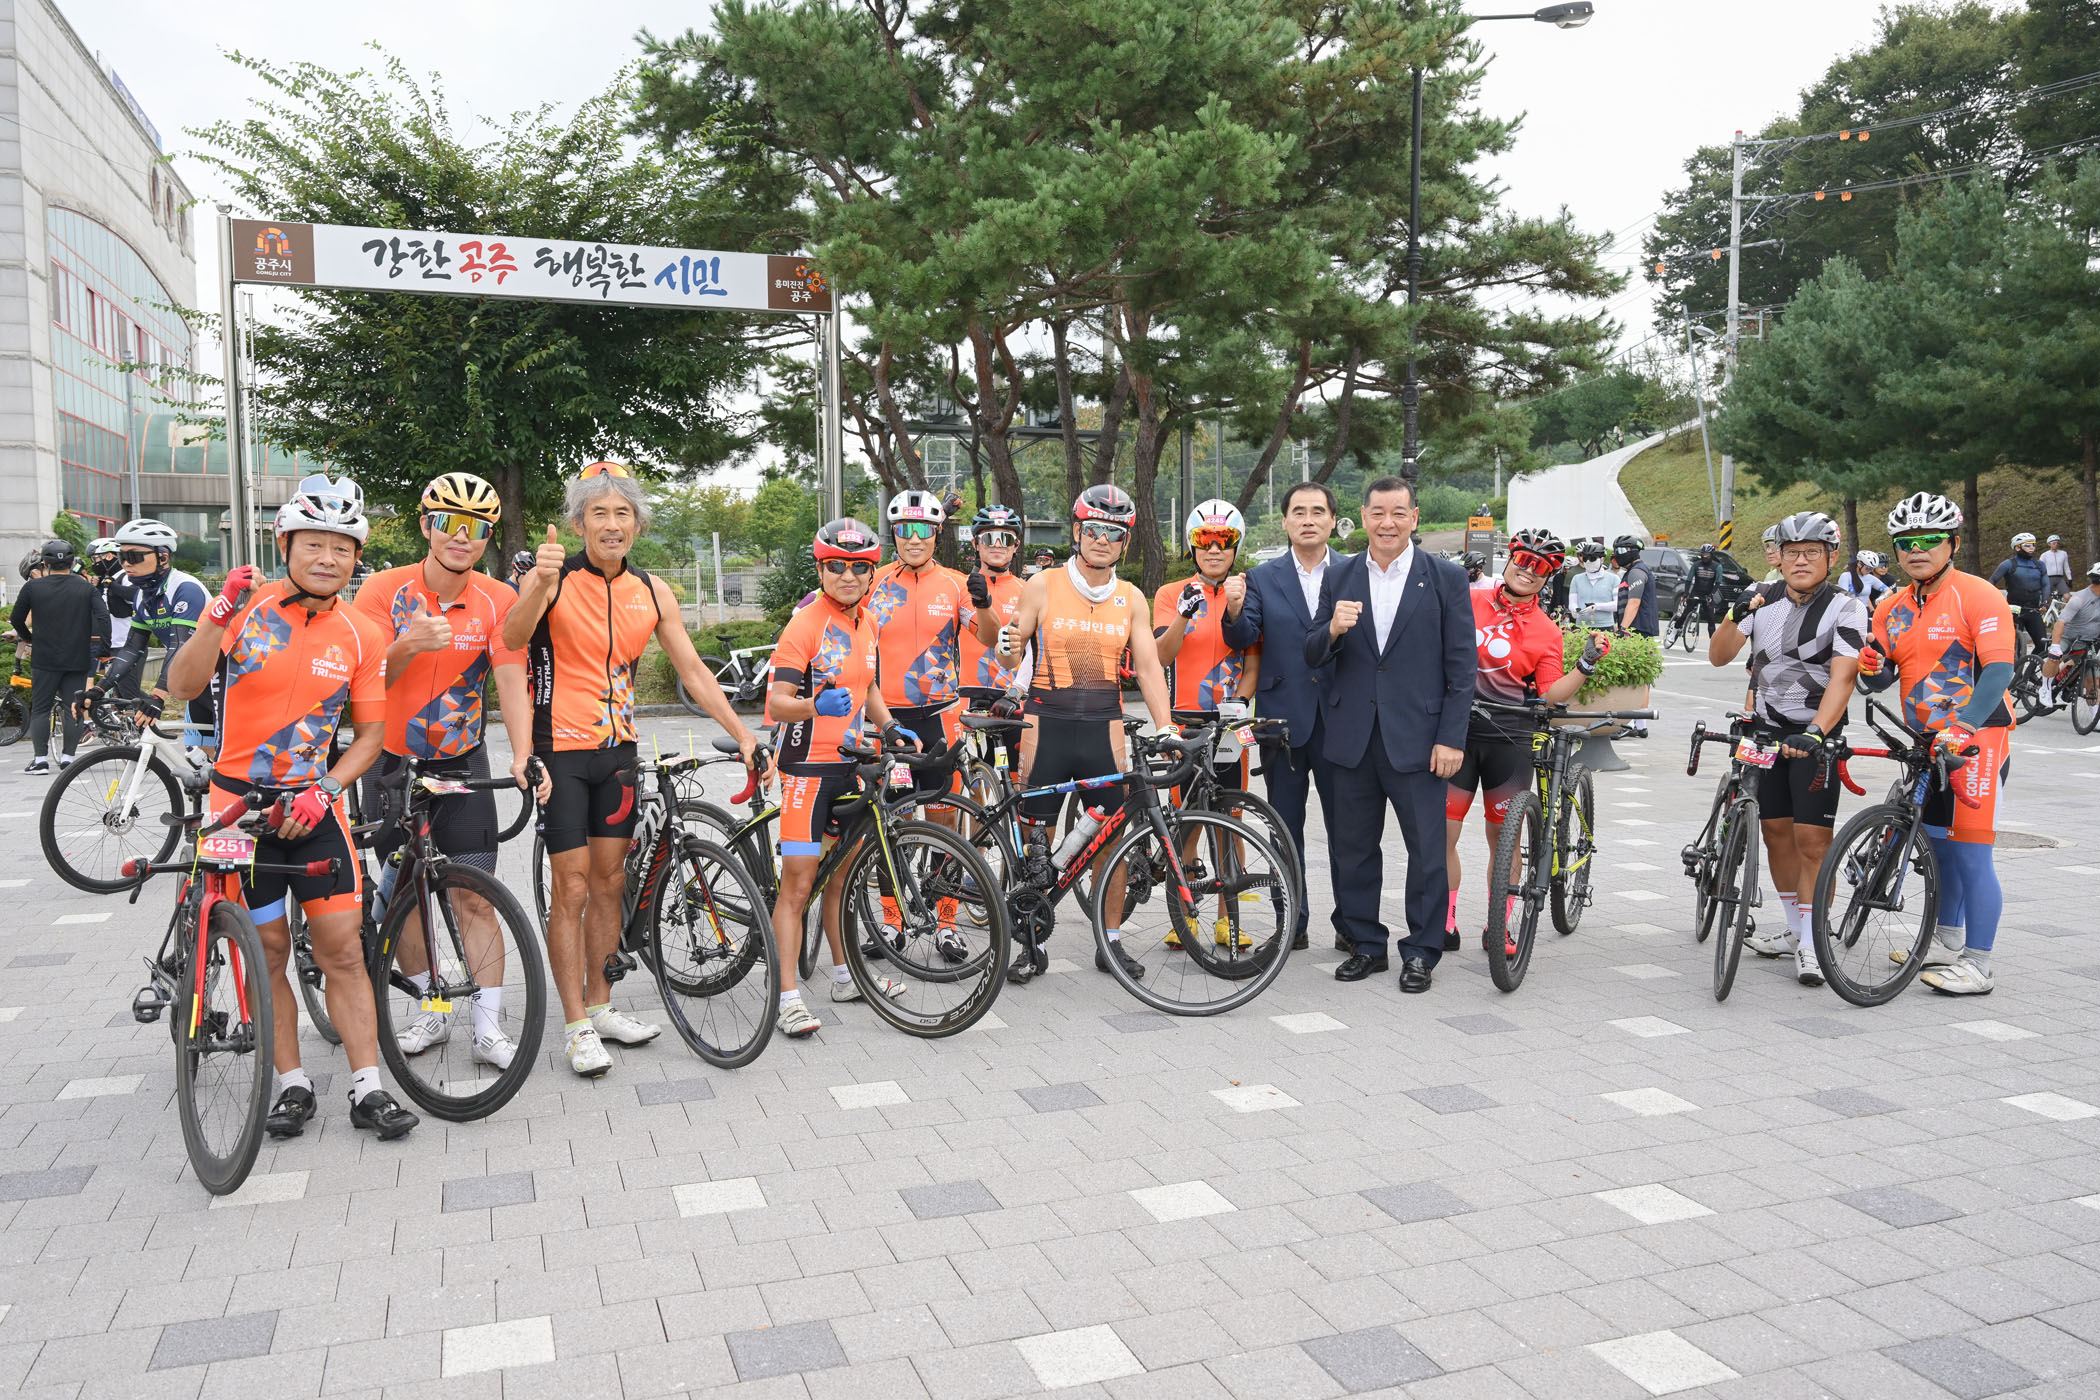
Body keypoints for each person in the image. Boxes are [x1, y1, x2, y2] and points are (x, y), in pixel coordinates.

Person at [162, 473, 418, 1141]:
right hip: (238, 809)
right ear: (285, 545)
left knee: (342, 950)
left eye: (342, 547)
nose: (328, 558)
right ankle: (292, 1084)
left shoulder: (362, 633)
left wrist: (325, 788)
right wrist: (216, 615)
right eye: (314, 544)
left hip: (313, 806)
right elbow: (182, 685)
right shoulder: (246, 608)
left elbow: (370, 736)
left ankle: (368, 1089)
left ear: (356, 557)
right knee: (268, 951)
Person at [500, 461, 763, 1077]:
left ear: (637, 525)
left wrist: (743, 733)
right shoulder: (554, 579)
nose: (612, 524)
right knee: (570, 888)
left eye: (623, 513)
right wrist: (538, 585)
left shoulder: (652, 590)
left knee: (609, 884)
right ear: (579, 523)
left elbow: (693, 670)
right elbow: (511, 639)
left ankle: (601, 1004)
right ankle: (575, 1026)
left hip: (618, 753)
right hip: (560, 754)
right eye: (599, 513)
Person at [353, 472, 548, 1070]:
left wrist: (523, 752)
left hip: (462, 761)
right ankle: (431, 1010)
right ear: (426, 526)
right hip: (389, 763)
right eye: (449, 523)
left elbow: (511, 679)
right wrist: (407, 644)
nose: (462, 537)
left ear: (487, 538)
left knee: (475, 897)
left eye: (477, 528)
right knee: (405, 896)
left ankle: (488, 1028)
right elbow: (358, 683)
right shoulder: (383, 591)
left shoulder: (497, 599)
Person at [996, 484, 1175, 979]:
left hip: (1104, 731)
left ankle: (1109, 942)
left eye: (1112, 533)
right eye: (1093, 529)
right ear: (1077, 532)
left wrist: (1166, 727)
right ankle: (1029, 942)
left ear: (1125, 542)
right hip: (1046, 727)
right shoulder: (1043, 584)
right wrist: (1007, 647)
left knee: (1111, 842)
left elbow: (1149, 667)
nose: (1101, 539)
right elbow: (1011, 651)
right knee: (1037, 842)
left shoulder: (1131, 598)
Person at [1304, 478, 1476, 994]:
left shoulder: (1444, 578)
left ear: (1414, 517)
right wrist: (1332, 629)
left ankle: (1421, 951)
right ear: (1363, 517)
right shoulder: (1339, 575)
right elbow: (1312, 653)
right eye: (1378, 512)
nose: (1387, 523)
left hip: (1421, 740)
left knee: (1427, 851)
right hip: (1352, 737)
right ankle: (1366, 944)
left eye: (1398, 513)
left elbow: (1462, 667)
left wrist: (1451, 738)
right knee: (1352, 848)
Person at [1855, 491, 2014, 995]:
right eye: (1906, 542)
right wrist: (1869, 669)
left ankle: (1979, 964)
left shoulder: (1979, 595)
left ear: (1953, 544)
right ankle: (1945, 940)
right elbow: (1881, 676)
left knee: (1970, 853)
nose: (1916, 550)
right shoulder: (1891, 606)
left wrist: (1964, 725)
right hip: (1925, 741)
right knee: (1940, 850)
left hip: (1977, 739)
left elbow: (1999, 670)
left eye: (1929, 540)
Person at [1708, 511, 1867, 987]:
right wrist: (1735, 613)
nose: (1800, 560)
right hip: (1765, 733)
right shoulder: (1762, 596)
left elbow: (1844, 677)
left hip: (1816, 737)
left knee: (1812, 842)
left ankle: (1815, 943)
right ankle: (1797, 929)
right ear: (1778, 556)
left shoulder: (1846, 607)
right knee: (1776, 833)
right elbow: (1718, 657)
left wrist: (1817, 731)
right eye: (1792, 552)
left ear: (1830, 557)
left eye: (1812, 552)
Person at [769, 518, 910, 1037]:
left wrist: (890, 726)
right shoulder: (804, 625)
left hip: (850, 764)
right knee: (798, 884)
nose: (847, 576)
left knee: (843, 878)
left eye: (858, 567)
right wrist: (813, 705)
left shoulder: (866, 623)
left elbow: (866, 686)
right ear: (821, 570)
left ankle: (846, 976)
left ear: (872, 573)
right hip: (806, 769)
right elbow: (776, 704)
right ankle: (786, 998)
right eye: (836, 566)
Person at [1447, 530, 1608, 953]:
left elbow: (1551, 693)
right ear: (1509, 560)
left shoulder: (1545, 630)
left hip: (1510, 737)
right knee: (1442, 833)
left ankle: (1497, 925)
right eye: (1523, 560)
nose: (1528, 571)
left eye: (1541, 567)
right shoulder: (1468, 600)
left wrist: (1585, 664)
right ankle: (1443, 922)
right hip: (1456, 733)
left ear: (1549, 577)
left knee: (1504, 840)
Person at [1222, 481, 1345, 953]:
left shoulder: (1354, 571)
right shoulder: (1262, 577)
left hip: (1341, 718)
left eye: (1317, 511)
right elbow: (1243, 637)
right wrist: (1234, 607)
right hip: (1282, 723)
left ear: (1332, 519)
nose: (1308, 519)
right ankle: (1291, 924)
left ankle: (1351, 926)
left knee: (1347, 830)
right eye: (1299, 512)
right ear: (1285, 521)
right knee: (1284, 830)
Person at [867, 489, 973, 952]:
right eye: (905, 529)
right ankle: (892, 923)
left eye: (923, 529)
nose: (914, 538)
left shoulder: (955, 584)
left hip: (939, 721)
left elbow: (990, 636)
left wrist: (987, 607)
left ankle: (947, 923)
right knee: (890, 825)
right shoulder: (872, 583)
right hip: (889, 725)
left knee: (946, 825)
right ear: (894, 533)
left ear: (937, 533)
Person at [1153, 499, 1260, 950]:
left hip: (1231, 725)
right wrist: (1183, 614)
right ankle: (1185, 916)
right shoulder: (1169, 593)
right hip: (1185, 724)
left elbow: (1253, 665)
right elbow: (1161, 656)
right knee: (1186, 822)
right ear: (1192, 546)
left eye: (1224, 541)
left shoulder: (1249, 591)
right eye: (1204, 541)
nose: (1214, 549)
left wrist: (1239, 704)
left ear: (1235, 546)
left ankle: (1227, 920)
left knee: (1229, 820)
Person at [98, 519, 215, 761]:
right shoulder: (142, 597)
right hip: (198, 683)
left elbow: (180, 645)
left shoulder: (185, 588)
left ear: (162, 557)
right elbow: (132, 649)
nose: (126, 563)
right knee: (204, 758)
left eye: (134, 556)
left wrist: (158, 695)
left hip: (225, 680)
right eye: (122, 556)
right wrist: (99, 689)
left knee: (230, 762)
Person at [9, 539, 109, 773]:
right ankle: (68, 759)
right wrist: (104, 649)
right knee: (72, 707)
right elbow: (103, 617)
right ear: (72, 563)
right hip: (77, 656)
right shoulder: (86, 588)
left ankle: (40, 760)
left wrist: (28, 638)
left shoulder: (33, 588)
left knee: (41, 708)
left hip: (44, 658)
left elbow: (16, 618)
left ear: (45, 563)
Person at [961, 504, 1028, 772]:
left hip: (1012, 697)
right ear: (976, 544)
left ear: (1016, 546)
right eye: (989, 537)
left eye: (1006, 539)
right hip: (967, 696)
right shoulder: (959, 586)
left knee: (1016, 782)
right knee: (974, 782)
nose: (997, 545)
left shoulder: (1027, 590)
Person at [2040, 560, 2100, 710]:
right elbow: (2060, 623)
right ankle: (2045, 687)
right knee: (2055, 658)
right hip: (2068, 637)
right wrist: (2055, 646)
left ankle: (2095, 715)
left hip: (2088, 641)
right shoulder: (2079, 599)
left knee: (2093, 680)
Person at [1990, 532, 2051, 658]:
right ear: (2017, 547)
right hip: (2014, 610)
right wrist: (1995, 600)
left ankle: (2029, 668)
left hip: (2033, 609)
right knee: (2014, 647)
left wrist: (2045, 602)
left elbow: (2046, 585)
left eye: (2033, 545)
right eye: (2028, 545)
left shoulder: (2039, 565)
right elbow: (1992, 582)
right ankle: (2015, 669)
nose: (2032, 548)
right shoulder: (2008, 564)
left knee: (2043, 645)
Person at [1612, 535, 1658, 638]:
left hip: (1638, 630)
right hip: (1634, 629)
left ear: (1633, 551)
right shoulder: (1631, 571)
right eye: (1616, 550)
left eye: (1621, 550)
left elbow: (1634, 603)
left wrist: (1622, 629)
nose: (1617, 554)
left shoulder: (1636, 572)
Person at [1569, 542, 1619, 627]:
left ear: (1602, 559)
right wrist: (1574, 610)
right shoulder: (1576, 579)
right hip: (1582, 626)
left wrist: (1596, 606)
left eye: (1592, 559)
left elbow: (1617, 604)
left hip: (1605, 625)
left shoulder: (1614, 579)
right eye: (1585, 559)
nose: (1588, 562)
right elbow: (1572, 602)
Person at [1685, 543, 1725, 641]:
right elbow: (1689, 580)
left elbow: (1718, 583)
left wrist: (1711, 595)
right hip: (1695, 592)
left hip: (1708, 594)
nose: (1705, 556)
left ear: (1711, 555)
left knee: (1711, 619)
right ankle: (1675, 630)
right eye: (1703, 554)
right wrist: (1686, 593)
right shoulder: (1696, 565)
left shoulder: (1717, 567)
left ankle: (1713, 642)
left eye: (1707, 554)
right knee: (1685, 613)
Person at [2041, 534, 2073, 602]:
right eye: (2054, 543)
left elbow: (2066, 567)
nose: (2056, 544)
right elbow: (2040, 568)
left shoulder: (2063, 554)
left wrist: (2070, 579)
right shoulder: (2044, 555)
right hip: (2049, 579)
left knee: (2068, 597)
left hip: (2060, 579)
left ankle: (2063, 609)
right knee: (2047, 599)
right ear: (2049, 544)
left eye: (2057, 543)